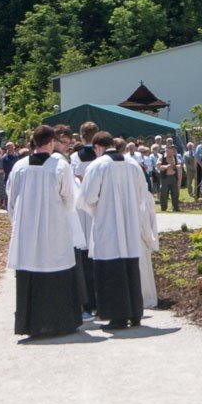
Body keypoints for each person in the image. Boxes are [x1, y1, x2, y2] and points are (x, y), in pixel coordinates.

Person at [6, 125, 84, 338]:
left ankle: (30, 324)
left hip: (27, 232)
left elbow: (11, 200)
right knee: (57, 269)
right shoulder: (60, 166)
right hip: (54, 229)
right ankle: (60, 322)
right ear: (51, 142)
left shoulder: (19, 166)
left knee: (30, 269)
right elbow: (70, 200)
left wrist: (19, 224)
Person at [78, 132, 156, 329]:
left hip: (108, 226)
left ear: (97, 147)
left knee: (111, 271)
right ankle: (135, 313)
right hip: (130, 226)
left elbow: (87, 198)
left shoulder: (98, 165)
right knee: (131, 269)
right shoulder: (133, 165)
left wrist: (99, 209)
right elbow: (142, 193)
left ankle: (117, 316)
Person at [70, 121, 99, 315]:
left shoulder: (74, 157)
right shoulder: (101, 157)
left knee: (84, 256)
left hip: (81, 211)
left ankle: (87, 301)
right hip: (98, 208)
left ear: (81, 136)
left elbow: (74, 180)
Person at [157, 144, 182, 212]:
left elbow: (179, 163)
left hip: (173, 177)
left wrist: (178, 166)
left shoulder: (174, 157)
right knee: (164, 193)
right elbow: (158, 166)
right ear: (166, 150)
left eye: (172, 150)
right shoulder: (162, 157)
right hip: (165, 178)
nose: (171, 152)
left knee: (175, 193)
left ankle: (176, 207)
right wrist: (166, 167)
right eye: (169, 150)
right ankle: (164, 208)